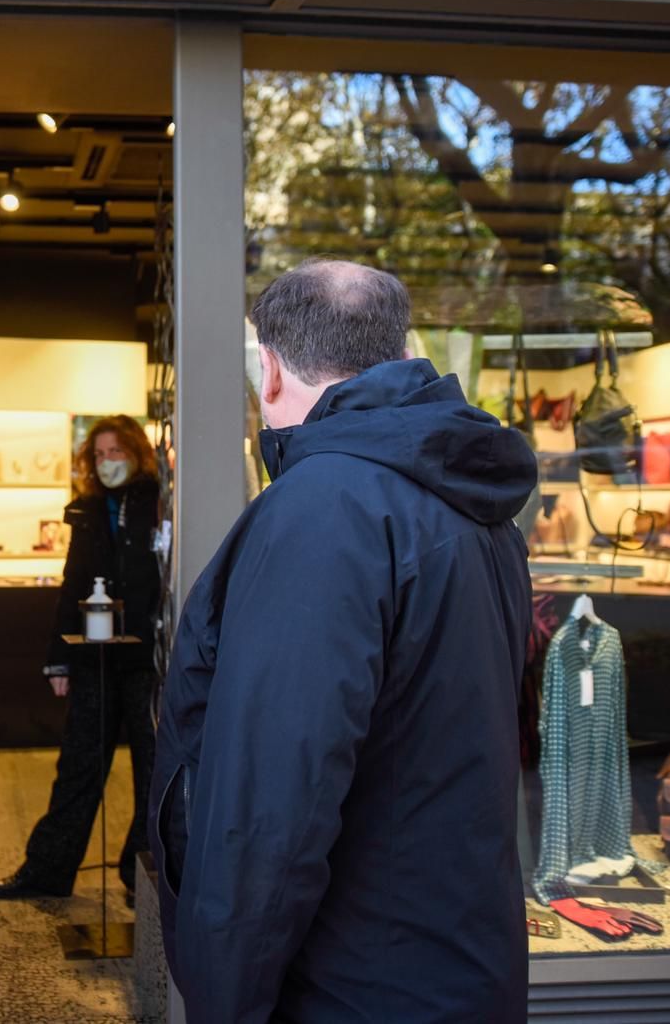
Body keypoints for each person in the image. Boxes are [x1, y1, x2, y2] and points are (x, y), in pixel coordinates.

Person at [150, 258, 536, 1024]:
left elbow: (270, 809)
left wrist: (223, 1002)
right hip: (458, 964)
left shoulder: (324, 511)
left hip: (352, 985)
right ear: (399, 354)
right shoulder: (477, 511)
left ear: (268, 371)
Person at [0, 416, 161, 906]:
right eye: (100, 455)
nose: (109, 462)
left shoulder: (159, 501)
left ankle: (142, 872)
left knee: (153, 768)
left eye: (116, 452)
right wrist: (58, 661)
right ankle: (47, 870)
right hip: (95, 657)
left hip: (148, 658)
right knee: (79, 766)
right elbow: (73, 585)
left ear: (136, 452)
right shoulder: (86, 510)